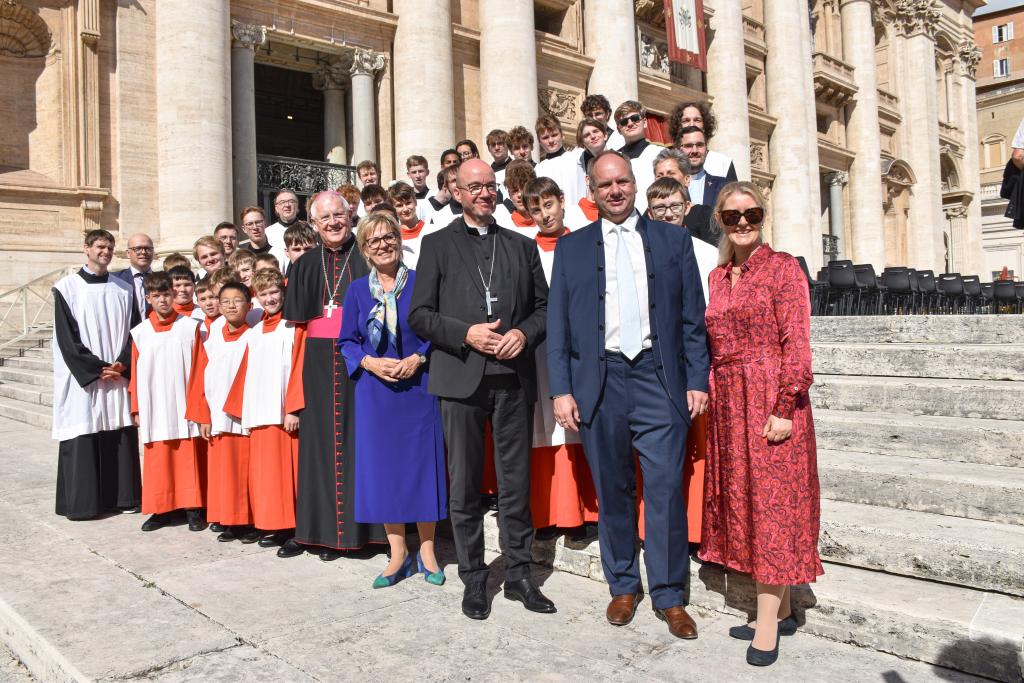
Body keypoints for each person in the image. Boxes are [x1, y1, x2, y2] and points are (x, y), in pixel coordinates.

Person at [547, 150, 709, 639]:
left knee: (664, 489)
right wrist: (561, 390)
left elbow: (692, 320)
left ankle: (669, 594)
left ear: (635, 185)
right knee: (613, 489)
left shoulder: (673, 240)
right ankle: (623, 584)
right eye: (604, 185)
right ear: (592, 193)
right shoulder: (571, 248)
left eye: (621, 182)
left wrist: (697, 379)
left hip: (659, 379)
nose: (614, 191)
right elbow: (558, 327)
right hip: (600, 382)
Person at [409, 158, 553, 620]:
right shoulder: (436, 245)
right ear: (456, 190)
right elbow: (421, 315)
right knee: (466, 485)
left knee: (515, 484)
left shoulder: (520, 245)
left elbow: (543, 309)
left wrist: (524, 334)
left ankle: (519, 575)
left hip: (513, 380)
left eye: (490, 186)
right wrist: (464, 333)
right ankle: (473, 578)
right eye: (475, 187)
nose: (485, 193)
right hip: (460, 378)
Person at [700, 182, 823, 667]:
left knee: (774, 511)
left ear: (763, 215)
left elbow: (798, 345)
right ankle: (785, 606)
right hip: (730, 405)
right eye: (732, 217)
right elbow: (714, 345)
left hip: (772, 400)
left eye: (751, 213)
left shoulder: (784, 268)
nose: (743, 223)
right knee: (751, 507)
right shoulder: (716, 276)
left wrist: (784, 407)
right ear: (721, 222)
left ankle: (767, 622)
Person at [338, 213, 448, 588]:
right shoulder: (356, 291)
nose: (383, 244)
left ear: (399, 241)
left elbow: (438, 329)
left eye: (389, 237)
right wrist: (369, 361)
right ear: (365, 250)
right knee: (384, 472)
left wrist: (418, 358)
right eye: (374, 241)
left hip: (418, 388)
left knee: (422, 469)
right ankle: (397, 552)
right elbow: (347, 342)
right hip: (376, 393)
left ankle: (428, 550)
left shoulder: (421, 283)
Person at [282, 191, 386, 559]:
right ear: (314, 224)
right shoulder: (304, 265)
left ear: (350, 214)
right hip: (317, 365)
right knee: (321, 447)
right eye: (324, 218)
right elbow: (295, 331)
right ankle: (322, 534)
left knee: (363, 444)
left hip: (362, 358)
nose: (333, 223)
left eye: (338, 215)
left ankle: (369, 535)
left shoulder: (368, 256)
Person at [522, 177, 599, 535]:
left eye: (548, 205)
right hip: (540, 351)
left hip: (581, 347)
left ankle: (586, 511)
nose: (544, 214)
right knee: (545, 427)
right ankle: (550, 511)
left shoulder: (584, 242)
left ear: (562, 201)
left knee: (581, 420)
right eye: (535, 209)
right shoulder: (526, 250)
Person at [53, 229, 141, 520]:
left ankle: (122, 497)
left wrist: (122, 363)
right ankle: (84, 504)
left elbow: (135, 333)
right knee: (85, 430)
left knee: (118, 430)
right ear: (86, 249)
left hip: (117, 375)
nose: (105, 251)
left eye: (110, 246)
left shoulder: (124, 289)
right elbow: (67, 338)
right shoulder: (66, 288)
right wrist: (95, 368)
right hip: (87, 379)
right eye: (100, 246)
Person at [223, 269, 305, 556]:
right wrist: (238, 410)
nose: (270, 298)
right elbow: (246, 372)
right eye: (264, 294)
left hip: (283, 416)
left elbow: (299, 367)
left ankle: (296, 530)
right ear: (256, 297)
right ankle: (276, 527)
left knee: (288, 476)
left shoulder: (293, 326)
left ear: (283, 292)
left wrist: (294, 408)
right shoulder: (255, 332)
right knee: (267, 478)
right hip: (259, 412)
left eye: (274, 292)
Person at [129, 271, 206, 533]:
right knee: (158, 458)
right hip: (155, 404)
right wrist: (136, 406)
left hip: (183, 402)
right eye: (157, 295)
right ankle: (161, 509)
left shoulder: (189, 327)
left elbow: (198, 367)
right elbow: (136, 374)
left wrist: (198, 404)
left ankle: (193, 508)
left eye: (166, 294)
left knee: (187, 457)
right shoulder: (140, 333)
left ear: (174, 296)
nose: (162, 300)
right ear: (148, 298)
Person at [185, 280, 256, 543]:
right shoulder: (212, 333)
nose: (230, 305)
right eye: (225, 301)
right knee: (223, 473)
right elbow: (201, 373)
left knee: (243, 472)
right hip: (216, 414)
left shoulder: (254, 336)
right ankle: (229, 520)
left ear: (249, 305)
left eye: (237, 300)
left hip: (241, 416)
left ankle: (249, 522)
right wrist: (202, 414)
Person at [652, 148, 718, 246]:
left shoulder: (704, 215)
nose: (665, 179)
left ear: (687, 179)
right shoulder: (650, 215)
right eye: (660, 175)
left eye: (671, 174)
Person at [668, 101, 738, 181]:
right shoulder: (664, 162)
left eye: (697, 120)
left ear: (704, 126)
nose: (692, 124)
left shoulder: (723, 163)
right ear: (678, 127)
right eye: (686, 121)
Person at [613, 101, 661, 212]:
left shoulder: (661, 154)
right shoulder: (613, 158)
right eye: (624, 122)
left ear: (644, 122)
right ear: (619, 129)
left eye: (635, 118)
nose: (630, 124)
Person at [535, 115, 583, 208]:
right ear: (539, 141)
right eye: (545, 137)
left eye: (554, 135)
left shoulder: (578, 156)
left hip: (581, 216)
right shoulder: (538, 169)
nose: (551, 140)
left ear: (562, 135)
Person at [676, 126, 727, 209]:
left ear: (706, 151)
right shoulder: (670, 185)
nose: (694, 151)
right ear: (679, 151)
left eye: (700, 145)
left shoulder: (724, 186)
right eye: (689, 146)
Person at [388, 182, 432, 268]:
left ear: (415, 202)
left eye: (408, 203)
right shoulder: (392, 238)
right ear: (393, 208)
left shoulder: (432, 231)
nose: (405, 209)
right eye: (399, 205)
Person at [113, 233, 155, 320]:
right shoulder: (115, 280)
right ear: (128, 253)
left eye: (148, 248)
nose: (143, 252)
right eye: (138, 249)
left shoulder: (163, 280)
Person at [498, 159, 539, 236]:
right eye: (515, 190)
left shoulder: (547, 221)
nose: (520, 195)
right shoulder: (501, 222)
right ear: (509, 194)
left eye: (524, 188)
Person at [427, 165, 463, 230]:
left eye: (461, 179)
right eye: (454, 180)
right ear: (446, 186)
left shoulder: (480, 210)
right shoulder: (438, 218)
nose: (458, 183)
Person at [195, 276, 221, 341]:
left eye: (212, 297)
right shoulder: (199, 328)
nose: (208, 303)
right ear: (198, 302)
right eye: (203, 299)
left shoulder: (230, 323)